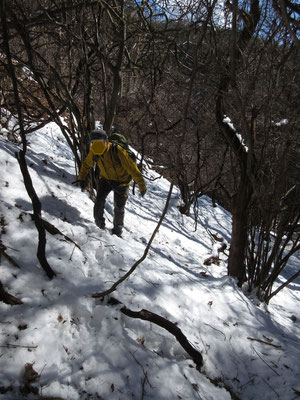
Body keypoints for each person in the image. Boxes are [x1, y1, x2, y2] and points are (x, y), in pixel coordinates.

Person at [75, 129, 146, 237]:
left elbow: (132, 169)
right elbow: (87, 164)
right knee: (99, 201)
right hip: (106, 179)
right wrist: (81, 177)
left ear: (106, 141)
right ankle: (99, 226)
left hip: (122, 183)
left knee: (119, 208)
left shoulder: (118, 151)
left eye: (100, 143)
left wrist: (142, 185)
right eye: (94, 143)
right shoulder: (95, 151)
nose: (97, 146)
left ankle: (117, 232)